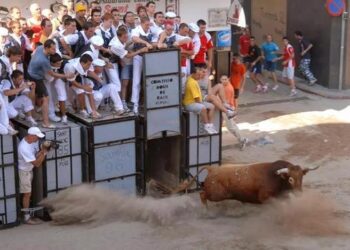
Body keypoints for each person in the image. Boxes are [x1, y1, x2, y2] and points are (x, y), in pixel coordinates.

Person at [28, 39, 72, 127]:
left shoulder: (40, 47)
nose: (55, 51)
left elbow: (33, 55)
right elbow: (52, 74)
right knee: (46, 98)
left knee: (39, 97)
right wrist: (66, 76)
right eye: (53, 49)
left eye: (55, 48)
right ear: (47, 48)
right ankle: (46, 123)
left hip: (31, 71)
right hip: (36, 77)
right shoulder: (43, 61)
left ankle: (36, 115)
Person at [109, 27, 149, 112]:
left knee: (126, 84)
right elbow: (127, 55)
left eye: (127, 36)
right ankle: (119, 104)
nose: (126, 38)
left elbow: (126, 49)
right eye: (124, 37)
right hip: (111, 64)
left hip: (122, 61)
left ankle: (122, 103)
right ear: (119, 36)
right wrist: (141, 50)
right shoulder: (116, 45)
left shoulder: (122, 39)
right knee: (120, 84)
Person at [18, 127, 47, 225]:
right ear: (31, 136)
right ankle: (26, 217)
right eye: (37, 137)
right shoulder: (23, 148)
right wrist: (44, 152)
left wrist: (42, 151)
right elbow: (37, 164)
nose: (38, 139)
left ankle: (26, 214)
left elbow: (35, 155)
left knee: (28, 193)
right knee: (27, 194)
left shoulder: (32, 141)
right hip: (24, 172)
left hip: (29, 170)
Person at [183, 66, 217, 135]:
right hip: (189, 104)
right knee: (203, 108)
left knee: (212, 106)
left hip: (195, 101)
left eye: (200, 74)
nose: (199, 76)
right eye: (198, 75)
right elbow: (197, 100)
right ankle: (206, 125)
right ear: (193, 74)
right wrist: (203, 103)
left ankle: (210, 125)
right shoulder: (191, 83)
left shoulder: (192, 79)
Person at [130, 16, 154, 114]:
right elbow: (135, 39)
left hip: (149, 58)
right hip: (138, 57)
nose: (148, 26)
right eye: (146, 25)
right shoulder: (136, 30)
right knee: (136, 82)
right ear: (141, 23)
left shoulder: (151, 30)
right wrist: (145, 43)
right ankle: (135, 105)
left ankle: (150, 104)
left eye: (149, 24)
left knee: (149, 80)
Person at [220, 75, 248, 150]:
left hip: (228, 109)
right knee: (233, 126)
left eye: (225, 79)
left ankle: (242, 140)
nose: (224, 81)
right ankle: (242, 139)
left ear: (228, 79)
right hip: (229, 108)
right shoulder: (226, 86)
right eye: (222, 79)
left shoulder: (227, 88)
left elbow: (226, 101)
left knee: (231, 127)